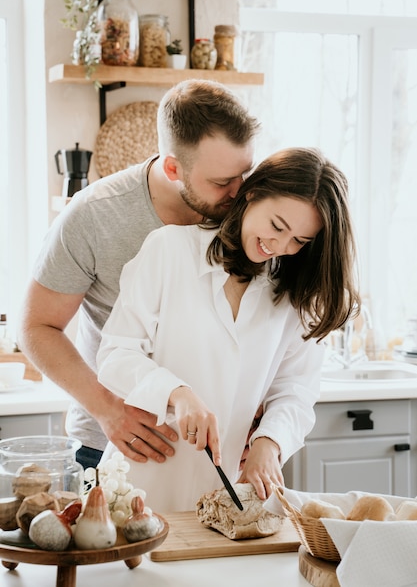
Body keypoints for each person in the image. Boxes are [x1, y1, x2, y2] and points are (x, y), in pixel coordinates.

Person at [96, 147, 361, 513]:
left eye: (300, 241)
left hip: (227, 494)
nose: (280, 247)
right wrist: (177, 393)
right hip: (139, 481)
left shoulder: (296, 293)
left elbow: (296, 390)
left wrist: (270, 442)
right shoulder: (169, 251)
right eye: (277, 226)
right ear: (251, 193)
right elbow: (114, 356)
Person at [17, 79, 260, 471]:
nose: (240, 192)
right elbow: (35, 326)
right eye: (220, 182)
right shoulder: (94, 215)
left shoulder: (247, 209)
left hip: (214, 452)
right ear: (172, 167)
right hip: (112, 444)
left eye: (244, 173)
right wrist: (109, 410)